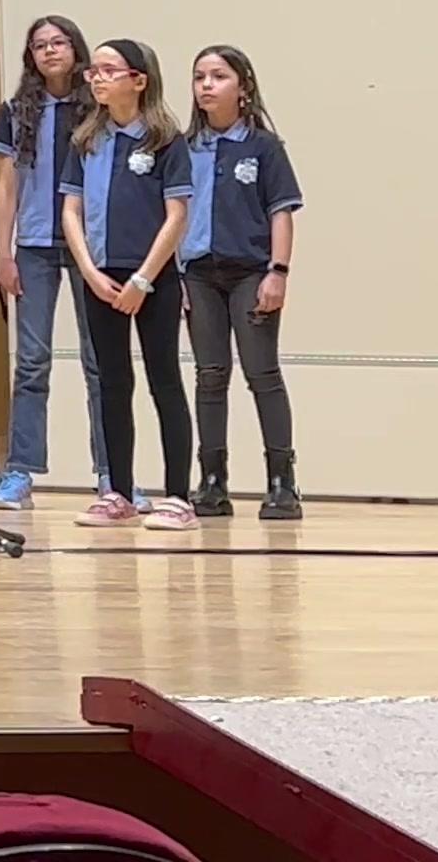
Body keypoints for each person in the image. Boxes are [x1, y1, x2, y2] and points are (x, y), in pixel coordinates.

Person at [63, 37, 196, 530]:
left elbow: (176, 215)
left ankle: (178, 496)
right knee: (112, 383)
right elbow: (71, 211)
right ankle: (117, 490)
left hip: (152, 278)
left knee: (164, 378)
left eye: (107, 70)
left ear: (138, 80)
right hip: (100, 277)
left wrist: (143, 278)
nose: (96, 78)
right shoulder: (86, 141)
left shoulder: (166, 141)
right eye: (92, 71)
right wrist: (89, 271)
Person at [181, 44, 307, 521]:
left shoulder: (263, 147)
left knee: (262, 373)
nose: (207, 85)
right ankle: (213, 480)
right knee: (210, 376)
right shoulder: (184, 148)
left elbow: (281, 212)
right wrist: (173, 277)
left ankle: (282, 481)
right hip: (198, 274)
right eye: (200, 77)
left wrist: (278, 271)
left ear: (243, 86)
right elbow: (172, 214)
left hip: (251, 273)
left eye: (218, 76)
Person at [0, 14, 97, 511]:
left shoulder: (98, 108)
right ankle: (20, 472)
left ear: (76, 49)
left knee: (100, 363)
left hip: (90, 247)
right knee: (31, 362)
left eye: (59, 42)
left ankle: (113, 473)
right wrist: (3, 251)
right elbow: (7, 187)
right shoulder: (16, 112)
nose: (50, 50)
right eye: (39, 45)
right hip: (32, 245)